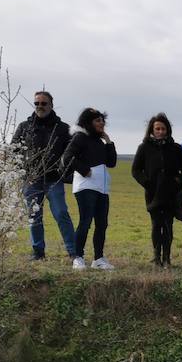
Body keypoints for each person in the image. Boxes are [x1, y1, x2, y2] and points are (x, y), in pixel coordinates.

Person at [11, 90, 77, 262]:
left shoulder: (62, 129)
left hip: (54, 179)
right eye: (37, 103)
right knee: (34, 216)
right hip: (32, 180)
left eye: (44, 103)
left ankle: (74, 252)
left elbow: (70, 153)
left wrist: (63, 171)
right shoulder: (25, 127)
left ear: (51, 105)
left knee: (61, 213)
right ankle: (38, 253)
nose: (40, 106)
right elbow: (13, 151)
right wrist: (23, 171)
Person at [130, 113, 182, 267]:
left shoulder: (176, 148)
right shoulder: (144, 148)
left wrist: (179, 181)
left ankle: (167, 258)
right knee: (156, 225)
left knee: (168, 225)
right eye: (157, 128)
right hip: (153, 194)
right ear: (152, 130)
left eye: (163, 128)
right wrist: (148, 184)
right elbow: (135, 170)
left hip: (171, 194)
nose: (160, 131)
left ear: (167, 130)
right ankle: (156, 258)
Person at [63, 108, 117, 271]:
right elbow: (67, 158)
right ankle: (78, 257)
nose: (101, 123)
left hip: (102, 187)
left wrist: (108, 141)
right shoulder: (80, 137)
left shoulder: (100, 142)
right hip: (85, 186)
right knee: (85, 222)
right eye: (97, 120)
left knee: (102, 223)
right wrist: (84, 169)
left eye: (102, 120)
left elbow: (112, 162)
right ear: (88, 123)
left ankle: (98, 258)